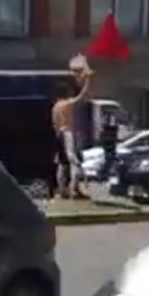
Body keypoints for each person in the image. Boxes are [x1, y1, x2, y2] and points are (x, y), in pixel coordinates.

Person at [52, 68, 93, 199]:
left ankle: (62, 189)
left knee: (62, 163)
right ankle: (74, 189)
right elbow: (81, 97)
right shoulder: (66, 104)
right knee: (74, 161)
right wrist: (88, 80)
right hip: (67, 133)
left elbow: (54, 124)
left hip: (59, 134)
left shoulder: (55, 107)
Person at [100, 111, 119, 180]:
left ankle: (105, 174)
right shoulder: (108, 130)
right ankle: (103, 174)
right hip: (109, 147)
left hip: (110, 147)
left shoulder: (107, 130)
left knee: (109, 161)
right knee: (108, 161)